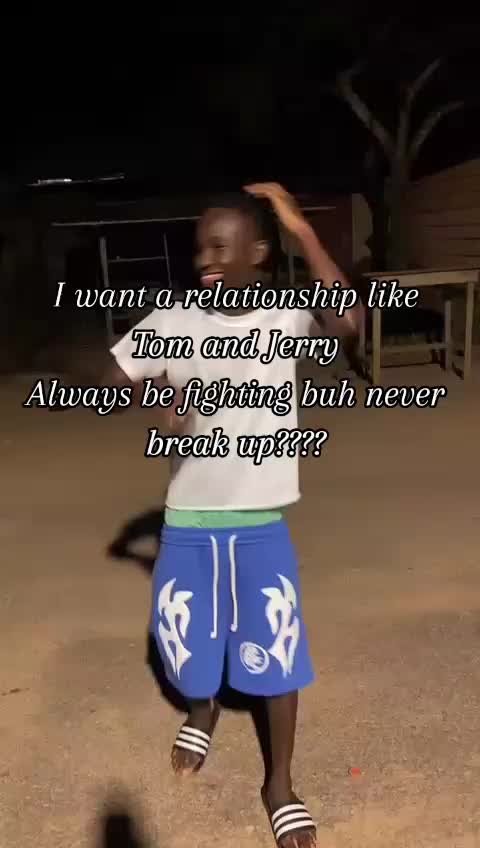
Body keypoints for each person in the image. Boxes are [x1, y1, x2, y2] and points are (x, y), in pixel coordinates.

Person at [107, 183, 363, 848]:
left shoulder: (285, 318)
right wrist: (160, 406)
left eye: (221, 247)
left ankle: (279, 785)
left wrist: (302, 228)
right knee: (188, 647)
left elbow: (349, 322)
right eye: (200, 248)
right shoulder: (174, 320)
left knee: (277, 650)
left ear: (259, 253)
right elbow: (116, 376)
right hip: (188, 525)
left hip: (259, 527)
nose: (206, 260)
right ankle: (203, 711)